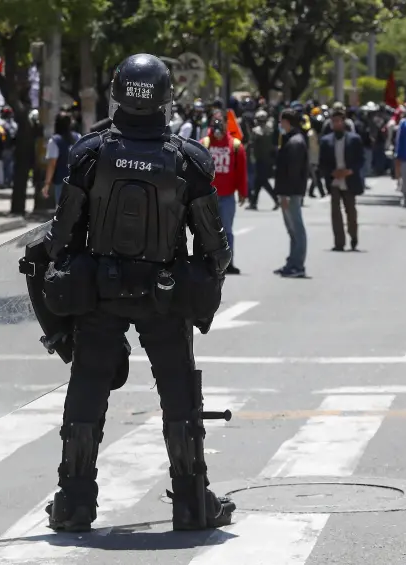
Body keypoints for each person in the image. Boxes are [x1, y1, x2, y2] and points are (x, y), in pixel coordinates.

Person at [38, 53, 235, 532]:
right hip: (164, 297)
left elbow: (58, 238)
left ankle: (73, 504)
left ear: (117, 93)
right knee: (179, 396)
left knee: (86, 392)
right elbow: (216, 248)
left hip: (99, 297)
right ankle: (191, 503)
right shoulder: (190, 159)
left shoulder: (88, 153)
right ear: (167, 97)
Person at [201, 116, 247, 275]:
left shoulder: (235, 146)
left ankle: (229, 263)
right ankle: (206, 262)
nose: (218, 135)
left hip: (227, 197)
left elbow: (241, 171)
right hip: (207, 196)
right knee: (205, 230)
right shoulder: (204, 144)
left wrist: (242, 192)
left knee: (227, 231)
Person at [319, 107, 364, 251]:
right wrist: (332, 172)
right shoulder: (326, 141)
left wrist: (349, 171)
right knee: (335, 211)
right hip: (334, 180)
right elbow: (323, 162)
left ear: (344, 122)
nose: (336, 124)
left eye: (339, 121)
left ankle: (353, 235)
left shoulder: (354, 139)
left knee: (350, 210)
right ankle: (339, 242)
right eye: (334, 121)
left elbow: (360, 160)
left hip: (349, 179)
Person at [274, 108, 309, 277]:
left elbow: (293, 172)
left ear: (287, 122)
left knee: (296, 229)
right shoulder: (292, 139)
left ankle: (298, 265)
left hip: (291, 192)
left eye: (281, 121)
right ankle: (292, 261)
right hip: (288, 191)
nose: (280, 124)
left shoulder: (295, 142)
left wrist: (286, 195)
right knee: (292, 230)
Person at [41, 111, 81, 204]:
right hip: (77, 181)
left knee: (61, 211)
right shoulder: (78, 137)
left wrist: (47, 184)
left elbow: (52, 164)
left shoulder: (55, 141)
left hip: (61, 180)